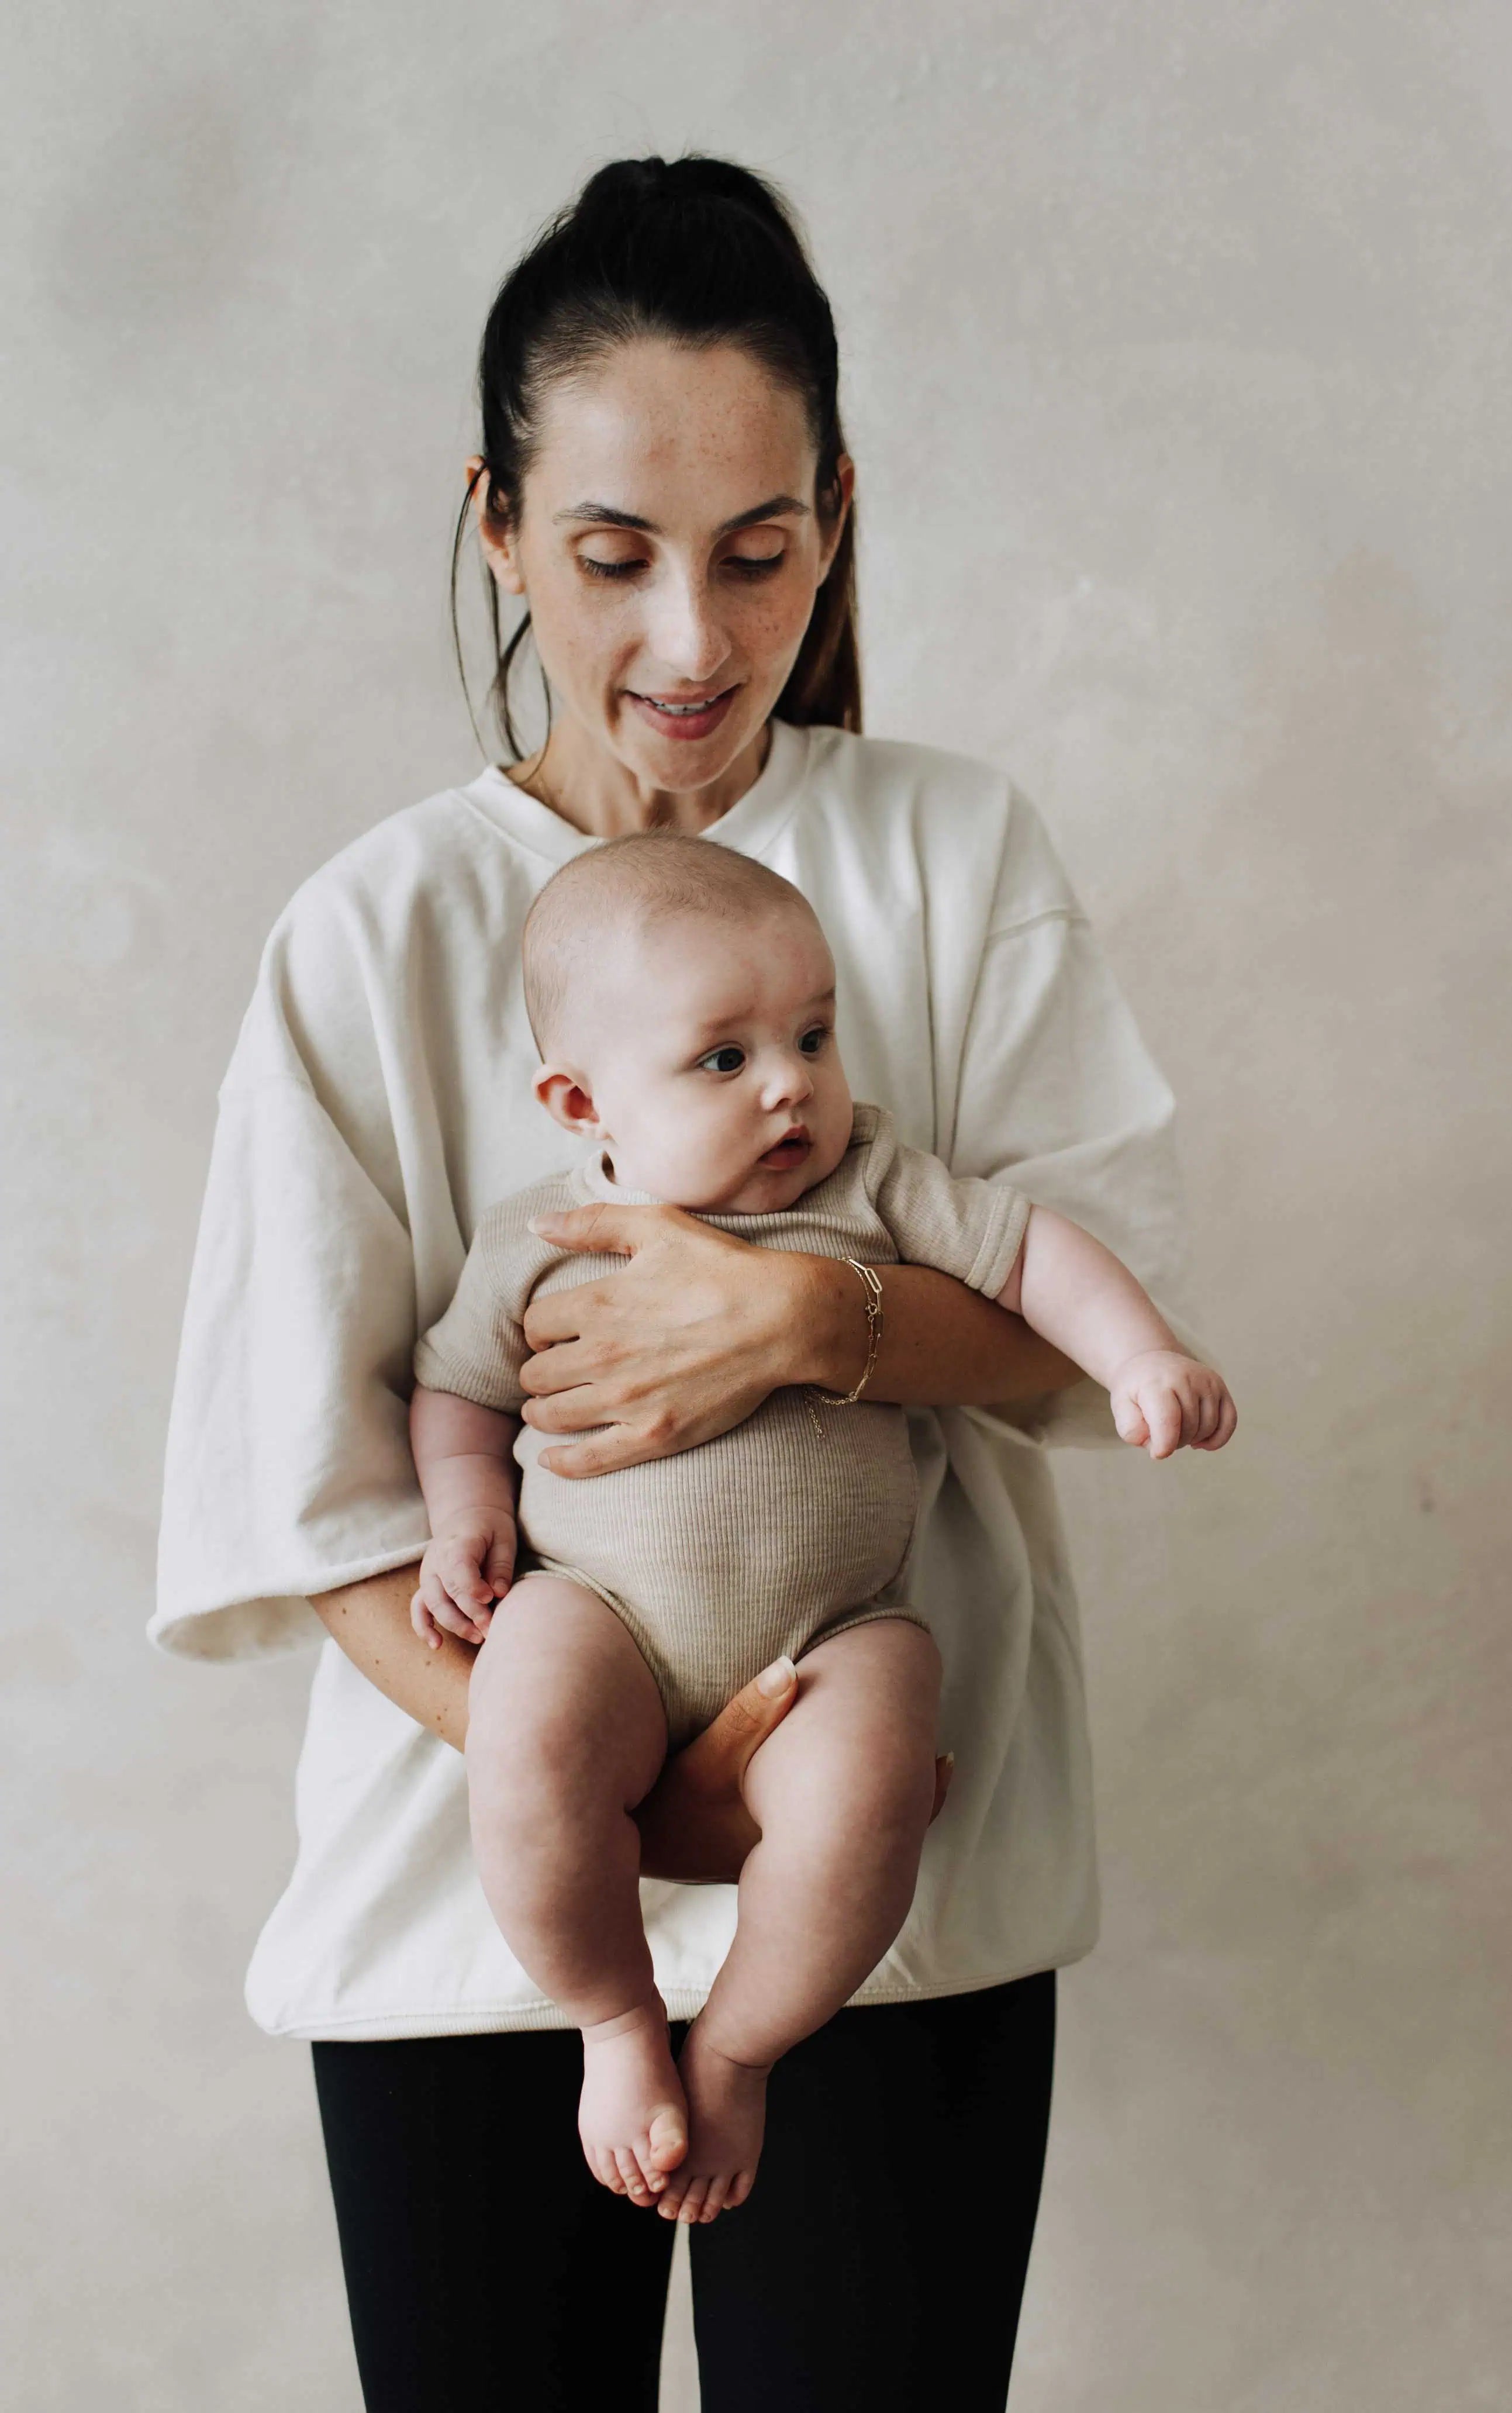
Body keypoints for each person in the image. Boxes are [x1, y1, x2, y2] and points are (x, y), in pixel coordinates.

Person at [153, 153, 1206, 2411]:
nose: (696, 643)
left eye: (760, 550)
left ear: (837, 509)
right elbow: (301, 1494)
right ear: (500, 523)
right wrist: (646, 1799)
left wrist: (818, 1319)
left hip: (894, 1925)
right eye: (615, 557)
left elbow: (1094, 1321)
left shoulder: (948, 849)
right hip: (468, 1930)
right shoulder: (372, 928)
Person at [408, 831, 1235, 2228]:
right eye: (723, 1059)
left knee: (870, 1796)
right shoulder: (544, 1235)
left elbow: (1033, 1254)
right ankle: (614, 2024)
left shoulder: (868, 1187)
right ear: (579, 1098)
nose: (793, 1082)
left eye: (813, 1032)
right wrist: (467, 1509)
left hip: (833, 1630)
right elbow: (456, 1388)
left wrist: (1138, 1353)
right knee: (526, 1746)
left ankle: (736, 2050)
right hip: (595, 1603)